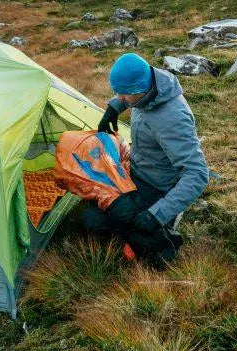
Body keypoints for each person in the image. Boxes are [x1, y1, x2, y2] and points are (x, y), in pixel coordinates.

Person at [82, 52, 209, 266]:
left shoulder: (172, 118)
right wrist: (115, 107)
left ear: (141, 90)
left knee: (142, 244)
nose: (120, 98)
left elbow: (197, 174)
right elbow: (131, 95)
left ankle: (166, 233)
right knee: (90, 216)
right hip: (135, 172)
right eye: (118, 93)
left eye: (124, 96)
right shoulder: (149, 88)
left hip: (158, 188)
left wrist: (156, 214)